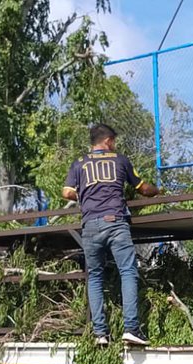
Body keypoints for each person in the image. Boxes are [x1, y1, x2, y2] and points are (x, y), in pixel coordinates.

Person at [63, 124, 159, 346]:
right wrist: (159, 191)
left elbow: (66, 192)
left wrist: (85, 194)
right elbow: (143, 189)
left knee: (95, 276)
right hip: (115, 222)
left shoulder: (79, 163)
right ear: (107, 141)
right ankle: (131, 328)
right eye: (113, 141)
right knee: (127, 271)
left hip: (90, 226)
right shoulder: (120, 160)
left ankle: (100, 334)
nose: (114, 145)